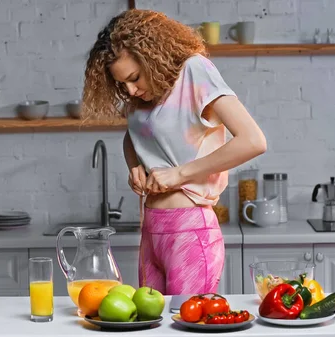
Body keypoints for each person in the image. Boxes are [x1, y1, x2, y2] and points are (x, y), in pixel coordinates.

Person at [81, 9, 267, 295]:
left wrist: (179, 174)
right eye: (122, 84)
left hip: (190, 232)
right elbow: (134, 136)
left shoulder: (195, 70)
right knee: (152, 325)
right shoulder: (144, 95)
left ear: (150, 56)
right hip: (151, 231)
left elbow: (253, 140)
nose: (130, 91)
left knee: (183, 325)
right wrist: (135, 167)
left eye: (134, 77)